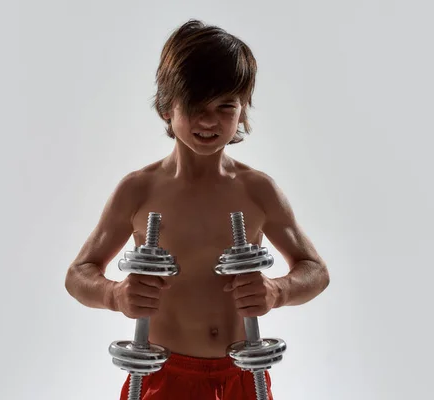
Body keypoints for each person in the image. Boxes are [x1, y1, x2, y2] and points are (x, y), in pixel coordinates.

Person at [65, 19, 330, 400]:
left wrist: (277, 290)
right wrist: (115, 295)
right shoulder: (138, 190)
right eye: (194, 105)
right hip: (162, 377)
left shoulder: (258, 190)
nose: (209, 120)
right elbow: (78, 274)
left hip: (242, 375)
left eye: (225, 106)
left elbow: (315, 270)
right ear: (166, 108)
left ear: (242, 111)